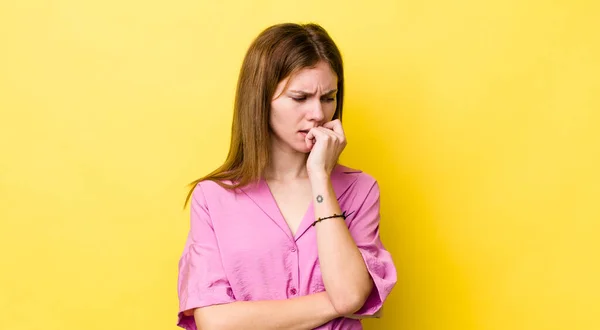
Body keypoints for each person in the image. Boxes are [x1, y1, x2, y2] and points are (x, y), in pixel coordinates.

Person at [177, 22, 397, 330]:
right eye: (299, 97)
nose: (318, 114)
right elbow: (216, 322)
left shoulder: (360, 190)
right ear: (260, 100)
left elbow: (349, 296)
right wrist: (335, 303)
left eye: (328, 97)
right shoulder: (213, 197)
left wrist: (320, 176)